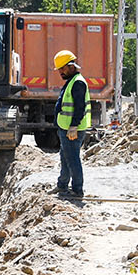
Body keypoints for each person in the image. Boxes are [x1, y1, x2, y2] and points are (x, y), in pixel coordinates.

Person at [53, 49, 93, 203]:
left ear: (71, 66)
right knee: (65, 157)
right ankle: (62, 185)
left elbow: (79, 107)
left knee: (72, 159)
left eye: (63, 69)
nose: (60, 72)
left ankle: (77, 189)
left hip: (72, 128)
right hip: (66, 127)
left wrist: (73, 126)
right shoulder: (71, 81)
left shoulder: (78, 83)